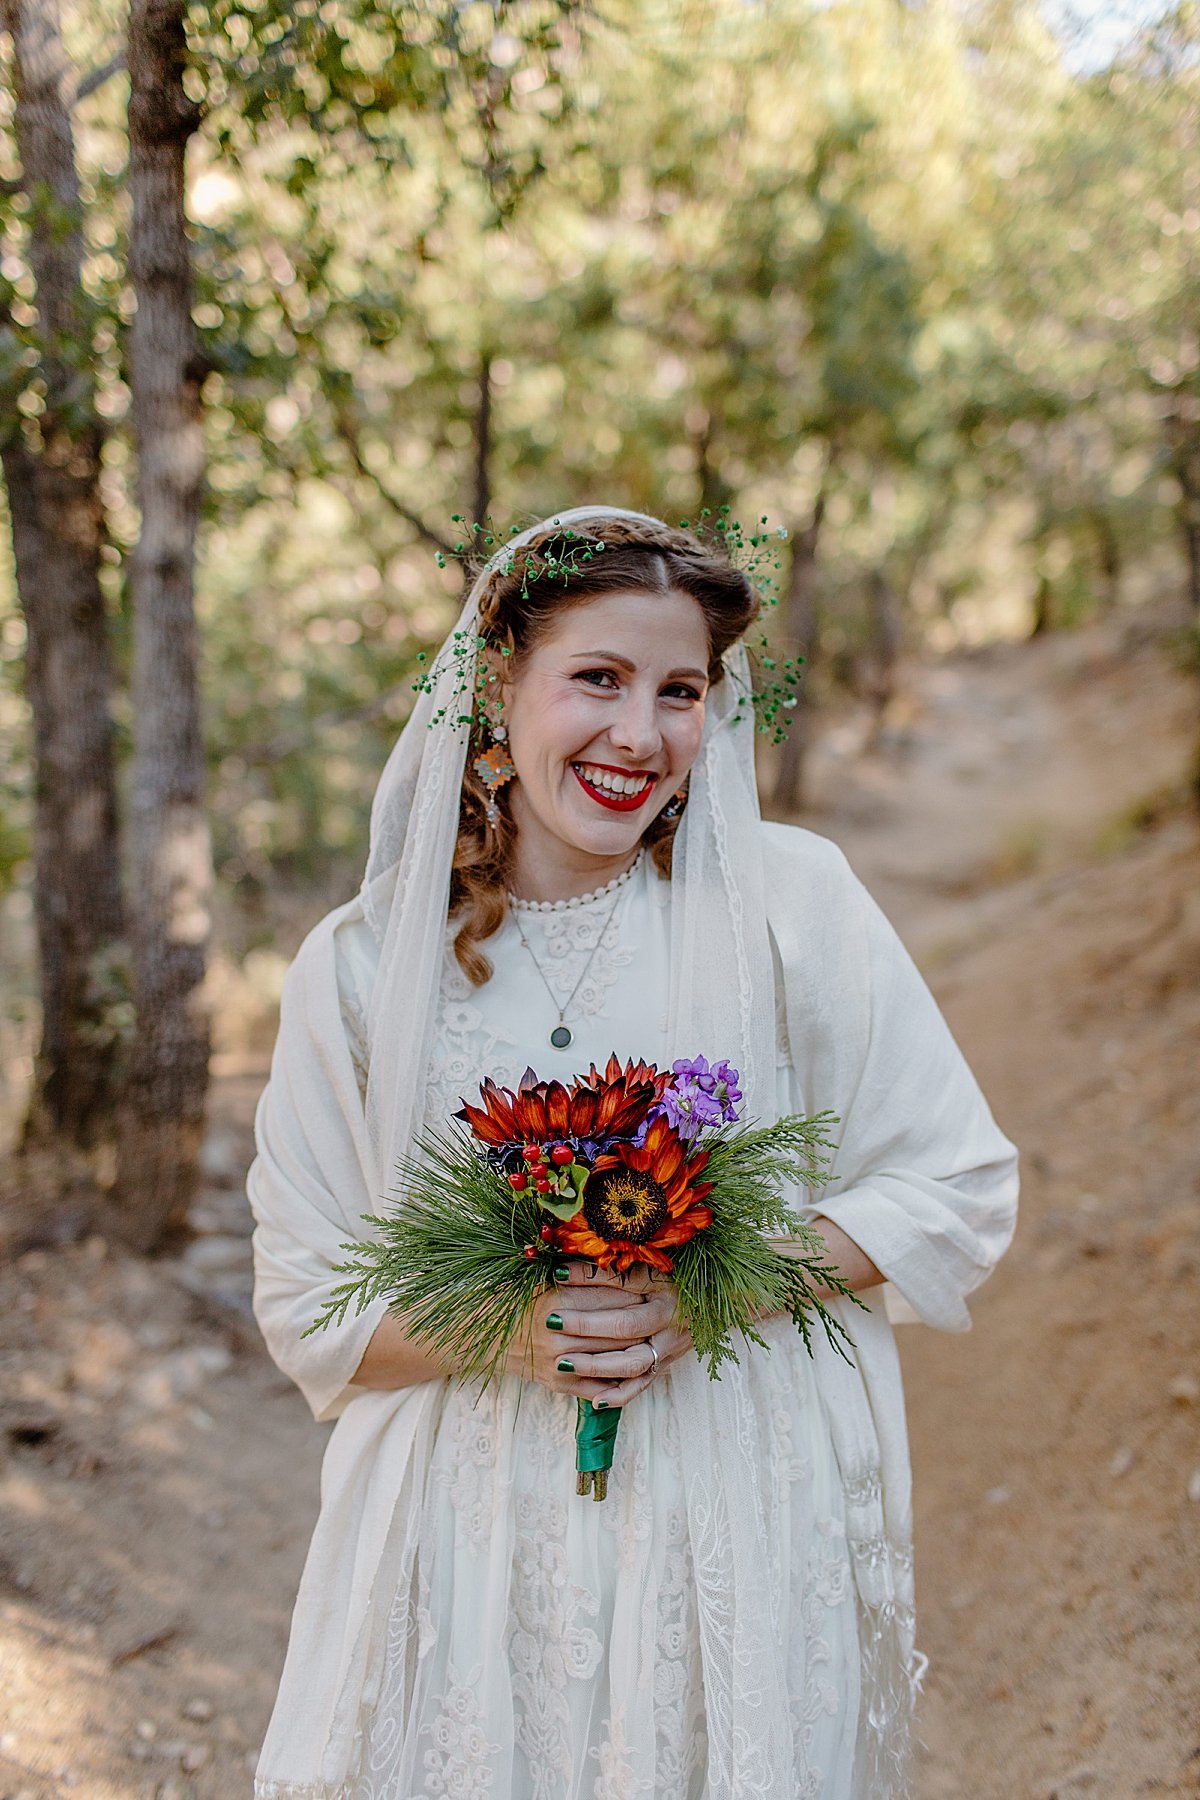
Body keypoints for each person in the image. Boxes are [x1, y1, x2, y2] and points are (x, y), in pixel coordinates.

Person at [248, 506, 1018, 1800]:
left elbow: (955, 1189)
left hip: (735, 1518)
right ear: (500, 686)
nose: (641, 734)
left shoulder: (792, 908)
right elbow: (304, 1301)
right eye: (596, 679)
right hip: (468, 1541)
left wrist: (712, 1283)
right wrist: (513, 1329)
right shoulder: (367, 970)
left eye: (682, 690)